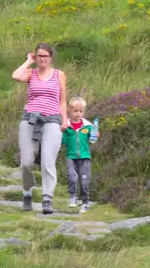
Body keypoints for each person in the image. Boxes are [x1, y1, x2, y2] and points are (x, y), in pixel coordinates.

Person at [11, 43, 69, 214]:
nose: (42, 59)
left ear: (51, 58)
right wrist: (28, 61)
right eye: (39, 56)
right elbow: (15, 76)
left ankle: (47, 199)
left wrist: (64, 120)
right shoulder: (30, 73)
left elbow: (62, 100)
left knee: (47, 161)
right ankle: (27, 194)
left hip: (52, 120)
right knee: (27, 162)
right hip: (30, 119)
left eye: (45, 56)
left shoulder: (59, 75)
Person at [62, 96, 98, 212]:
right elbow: (63, 142)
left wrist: (95, 136)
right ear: (69, 110)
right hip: (71, 157)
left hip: (84, 157)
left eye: (80, 111)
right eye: (75, 111)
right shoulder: (66, 125)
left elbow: (92, 140)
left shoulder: (88, 126)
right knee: (72, 177)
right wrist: (62, 132)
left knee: (84, 180)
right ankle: (72, 197)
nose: (78, 114)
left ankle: (85, 202)